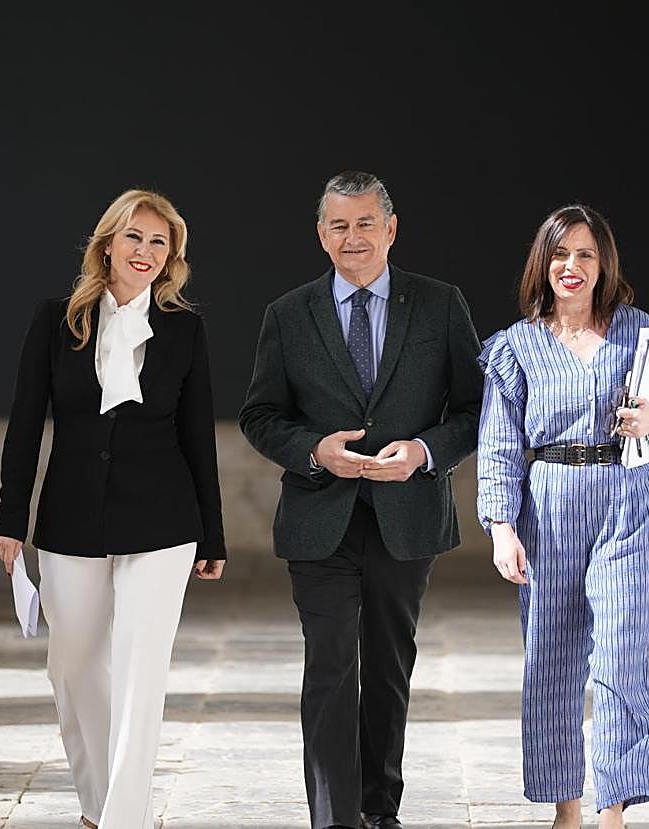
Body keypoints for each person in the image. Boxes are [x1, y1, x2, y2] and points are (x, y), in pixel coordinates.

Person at [239, 170, 483, 829]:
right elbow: (261, 415)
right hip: (321, 516)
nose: (353, 237)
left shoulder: (439, 304)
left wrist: (424, 452)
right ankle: (335, 817)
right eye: (339, 225)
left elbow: (471, 408)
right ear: (322, 235)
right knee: (329, 666)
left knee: (386, 668)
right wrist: (316, 449)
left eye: (365, 223)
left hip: (408, 517)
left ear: (391, 228)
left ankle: (379, 807)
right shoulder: (288, 315)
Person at [0, 189, 226, 829]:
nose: (145, 253)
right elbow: (24, 426)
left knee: (143, 669)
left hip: (165, 521)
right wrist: (12, 519)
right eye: (134, 238)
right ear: (108, 244)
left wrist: (212, 537)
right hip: (71, 517)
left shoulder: (185, 330)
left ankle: (124, 820)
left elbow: (198, 437)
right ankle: (98, 805)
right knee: (74, 664)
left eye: (159, 243)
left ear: (170, 256)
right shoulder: (56, 320)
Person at [475, 204, 649, 829]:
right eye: (561, 254)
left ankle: (613, 808)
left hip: (625, 504)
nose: (572, 267)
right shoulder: (514, 350)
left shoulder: (643, 336)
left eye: (586, 255)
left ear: (604, 265)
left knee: (622, 657)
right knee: (551, 661)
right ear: (542, 264)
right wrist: (501, 526)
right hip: (547, 511)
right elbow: (499, 444)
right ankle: (566, 805)